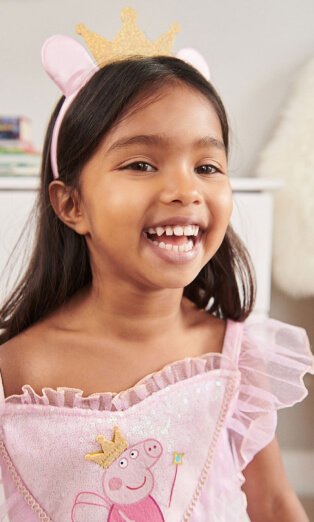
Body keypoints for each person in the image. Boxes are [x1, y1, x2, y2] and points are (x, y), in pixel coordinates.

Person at [0, 12, 313, 522]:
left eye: (207, 166)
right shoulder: (14, 370)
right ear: (71, 205)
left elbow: (275, 504)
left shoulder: (237, 360)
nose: (185, 190)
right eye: (141, 164)